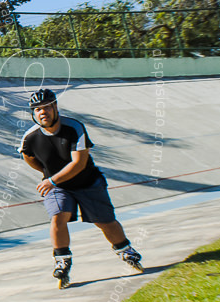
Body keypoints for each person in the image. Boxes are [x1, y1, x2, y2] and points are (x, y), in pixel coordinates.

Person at [18, 88, 143, 288]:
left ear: (55, 107)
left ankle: (125, 250)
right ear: (33, 113)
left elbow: (79, 163)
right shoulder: (30, 137)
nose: (43, 112)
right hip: (59, 187)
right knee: (58, 216)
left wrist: (51, 180)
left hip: (87, 182)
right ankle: (62, 260)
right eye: (38, 109)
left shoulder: (74, 127)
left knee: (105, 222)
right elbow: (28, 156)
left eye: (47, 107)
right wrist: (47, 174)